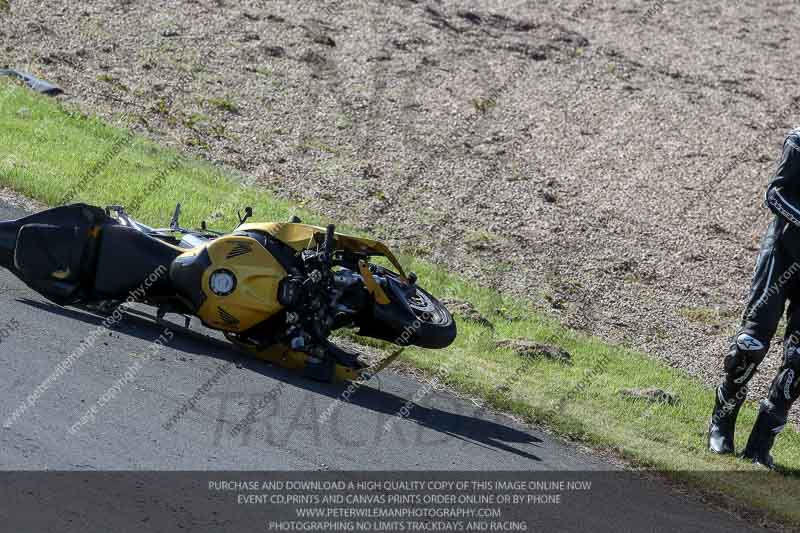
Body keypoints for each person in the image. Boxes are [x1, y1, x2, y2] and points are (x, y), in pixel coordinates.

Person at [708, 128, 800, 468]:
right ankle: (721, 422)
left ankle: (761, 445)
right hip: (781, 256)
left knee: (798, 359)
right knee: (751, 343)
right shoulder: (799, 140)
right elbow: (774, 195)